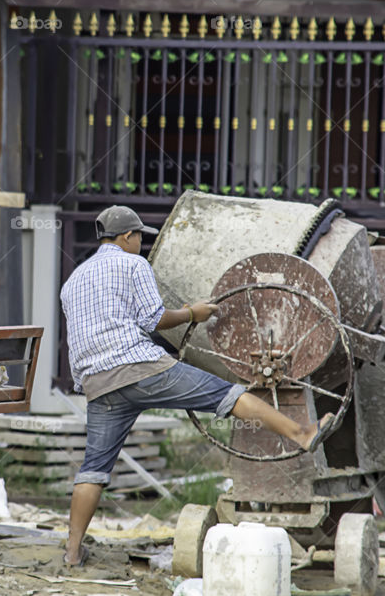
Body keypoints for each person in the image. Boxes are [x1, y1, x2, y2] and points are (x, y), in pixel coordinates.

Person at [59, 205, 332, 567]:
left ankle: (72, 552)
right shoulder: (133, 264)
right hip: (142, 368)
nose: (141, 245)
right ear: (127, 237)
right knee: (230, 396)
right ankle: (301, 433)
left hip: (98, 383)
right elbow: (153, 319)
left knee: (93, 469)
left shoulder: (72, 281)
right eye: (140, 238)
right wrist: (194, 313)